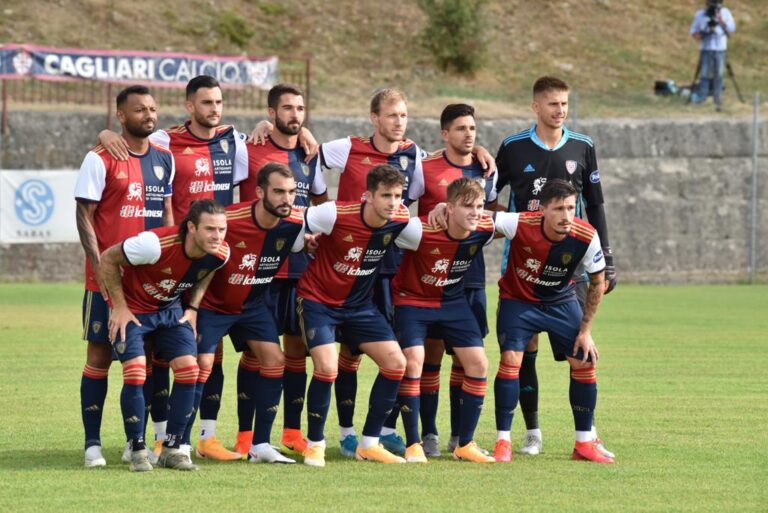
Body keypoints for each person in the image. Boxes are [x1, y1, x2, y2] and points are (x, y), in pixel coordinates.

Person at [99, 75, 248, 461]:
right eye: (206, 102)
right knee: (144, 365)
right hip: (162, 260)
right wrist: (104, 133)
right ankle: (146, 441)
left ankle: (187, 441)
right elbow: (133, 139)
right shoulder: (165, 140)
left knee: (200, 358)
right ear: (189, 106)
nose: (214, 108)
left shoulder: (235, 141)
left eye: (219, 102)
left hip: (192, 273)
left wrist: (193, 308)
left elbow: (276, 145)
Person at [494, 76, 616, 457]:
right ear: (536, 107)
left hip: (573, 268)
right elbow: (486, 194)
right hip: (522, 266)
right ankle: (532, 432)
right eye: (552, 104)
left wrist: (606, 258)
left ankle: (588, 435)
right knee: (522, 350)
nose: (559, 110)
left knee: (581, 350)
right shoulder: (513, 148)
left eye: (564, 104)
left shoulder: (583, 146)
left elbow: (594, 204)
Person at [74, 85, 174, 468]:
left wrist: (169, 267)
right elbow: (84, 216)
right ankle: (92, 445)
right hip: (105, 281)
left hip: (148, 283)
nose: (148, 115)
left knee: (149, 360)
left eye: (151, 109)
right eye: (139, 110)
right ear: (120, 116)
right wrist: (99, 270)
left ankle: (137, 442)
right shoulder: (99, 158)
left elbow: (166, 217)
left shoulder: (164, 158)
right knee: (99, 356)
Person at [231, 84, 327, 459]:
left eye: (300, 108)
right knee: (257, 351)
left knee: (296, 350)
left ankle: (290, 431)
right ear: (271, 112)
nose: (295, 114)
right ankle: (244, 435)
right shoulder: (247, 147)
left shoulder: (310, 152)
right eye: (287, 108)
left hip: (301, 266)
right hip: (261, 267)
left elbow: (320, 202)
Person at [98, 199, 230, 471]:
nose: (217, 236)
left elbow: (207, 272)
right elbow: (107, 258)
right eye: (210, 229)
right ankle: (136, 449)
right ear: (191, 227)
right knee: (135, 371)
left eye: (222, 229)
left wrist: (193, 307)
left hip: (170, 312)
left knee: (189, 370)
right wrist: (119, 307)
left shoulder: (220, 253)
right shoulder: (153, 245)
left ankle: (173, 448)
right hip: (133, 310)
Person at [296, 165, 412, 467]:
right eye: (385, 195)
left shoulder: (400, 219)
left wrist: (440, 208)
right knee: (327, 366)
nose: (393, 202)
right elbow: (295, 219)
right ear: (367, 196)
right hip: (318, 301)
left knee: (396, 363)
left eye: (398, 196)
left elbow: (432, 232)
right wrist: (305, 240)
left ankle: (369, 443)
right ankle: (315, 444)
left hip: (360, 307)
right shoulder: (334, 213)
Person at [491, 179, 614, 464]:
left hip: (560, 302)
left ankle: (584, 443)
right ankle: (503, 442)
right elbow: (479, 219)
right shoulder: (519, 222)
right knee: (511, 360)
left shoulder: (586, 235)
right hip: (519, 301)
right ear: (542, 209)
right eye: (559, 209)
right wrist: (446, 210)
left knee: (584, 360)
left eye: (571, 208)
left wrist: (586, 331)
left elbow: (597, 283)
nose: (566, 216)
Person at [196, 163, 307, 464]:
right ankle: (191, 442)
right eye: (279, 192)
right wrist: (191, 306)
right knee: (203, 364)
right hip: (214, 304)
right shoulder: (228, 220)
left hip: (254, 305)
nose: (287, 199)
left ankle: (260, 445)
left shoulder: (296, 221)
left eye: (292, 192)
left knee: (275, 360)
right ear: (259, 192)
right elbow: (195, 251)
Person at [404, 104, 498, 457]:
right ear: (445, 133)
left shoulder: (486, 167)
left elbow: (492, 215)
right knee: (432, 355)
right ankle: (427, 433)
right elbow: (404, 209)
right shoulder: (424, 167)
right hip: (427, 275)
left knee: (466, 359)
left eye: (472, 128)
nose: (469, 134)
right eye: (460, 128)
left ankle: (461, 437)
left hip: (469, 277)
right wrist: (434, 214)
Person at [391, 177, 496, 464]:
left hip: (452, 303)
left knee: (478, 363)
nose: (476, 212)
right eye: (468, 206)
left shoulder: (485, 227)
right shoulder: (418, 230)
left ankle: (465, 443)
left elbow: (526, 220)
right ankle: (414, 443)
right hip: (412, 301)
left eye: (479, 205)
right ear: (449, 208)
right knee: (414, 359)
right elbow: (383, 222)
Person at [690, 0, 736, 111]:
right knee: (705, 73)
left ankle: (718, 97)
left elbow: (732, 28)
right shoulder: (700, 14)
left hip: (720, 48)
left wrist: (722, 21)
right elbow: (693, 31)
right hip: (706, 47)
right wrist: (701, 33)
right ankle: (703, 97)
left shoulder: (725, 13)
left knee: (718, 74)